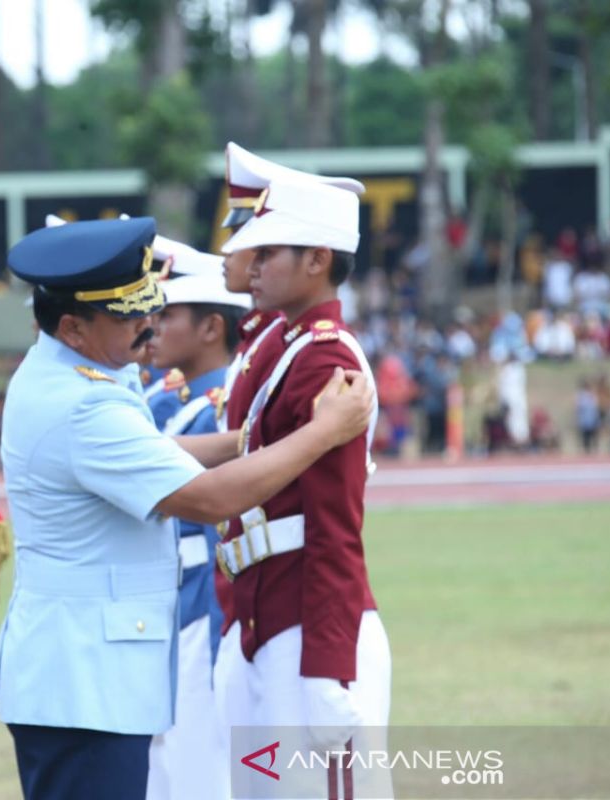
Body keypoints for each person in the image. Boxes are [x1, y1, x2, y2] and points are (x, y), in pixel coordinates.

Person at [0, 215, 374, 800]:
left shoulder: (74, 371)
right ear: (73, 326)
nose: (147, 323)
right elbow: (209, 499)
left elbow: (153, 453)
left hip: (82, 676)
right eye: (127, 315)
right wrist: (323, 432)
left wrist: (247, 440)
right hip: (84, 686)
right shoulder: (82, 405)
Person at [216, 176, 390, 799]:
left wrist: (329, 666)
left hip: (312, 632)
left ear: (318, 260)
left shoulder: (324, 360)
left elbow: (333, 528)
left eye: (268, 252)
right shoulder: (282, 347)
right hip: (267, 618)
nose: (250, 264)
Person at [143, 271, 253, 800]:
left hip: (202, 595)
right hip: (171, 592)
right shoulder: (174, 397)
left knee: (200, 760)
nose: (152, 327)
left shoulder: (223, 405)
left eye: (167, 316)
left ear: (212, 327)